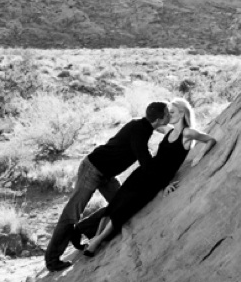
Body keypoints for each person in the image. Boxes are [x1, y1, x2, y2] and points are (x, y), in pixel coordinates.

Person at [78, 97, 216, 257]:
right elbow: (148, 124)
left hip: (156, 178)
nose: (168, 115)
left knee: (126, 208)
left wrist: (200, 156)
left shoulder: (187, 133)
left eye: (171, 112)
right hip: (144, 171)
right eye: (167, 112)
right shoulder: (168, 130)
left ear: (182, 113)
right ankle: (95, 237)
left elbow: (210, 140)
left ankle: (97, 241)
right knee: (116, 203)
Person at [44, 101, 170, 272]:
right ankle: (52, 260)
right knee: (72, 212)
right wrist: (163, 182)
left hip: (107, 175)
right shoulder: (139, 130)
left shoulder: (144, 127)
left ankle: (82, 229)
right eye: (168, 113)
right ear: (159, 117)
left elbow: (165, 134)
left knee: (119, 205)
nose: (170, 116)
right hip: (92, 169)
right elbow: (144, 160)